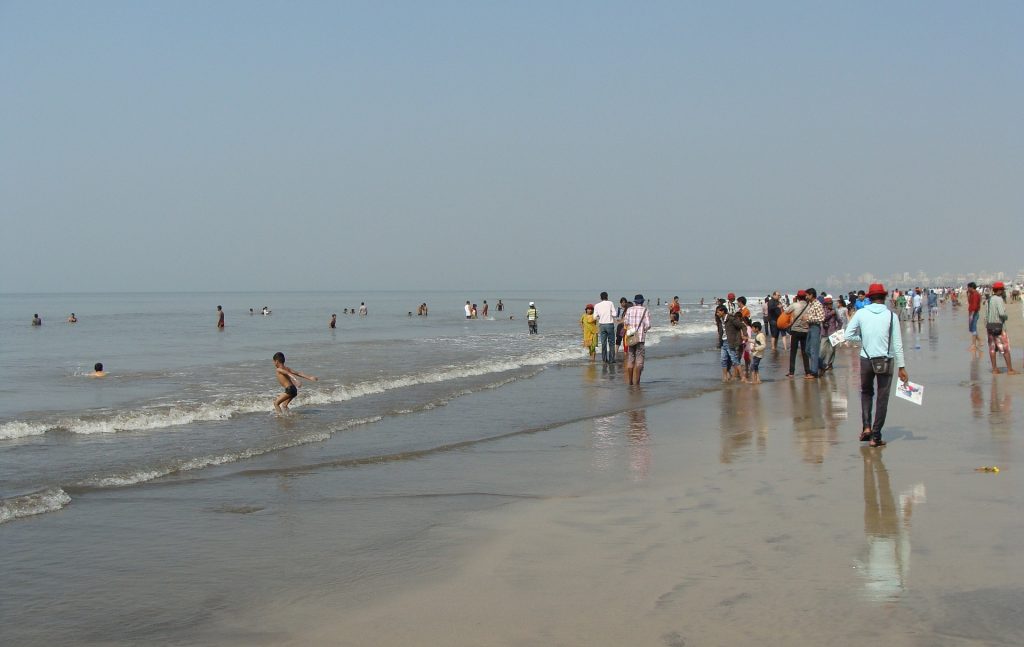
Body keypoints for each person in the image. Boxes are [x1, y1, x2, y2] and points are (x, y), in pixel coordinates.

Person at [843, 283, 908, 447]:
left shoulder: (861, 313)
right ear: (885, 298)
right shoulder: (891, 316)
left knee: (866, 392)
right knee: (882, 398)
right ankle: (876, 436)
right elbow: (897, 344)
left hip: (866, 359)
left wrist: (863, 340)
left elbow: (848, 335)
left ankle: (866, 427)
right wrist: (902, 366)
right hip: (885, 360)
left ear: (869, 297)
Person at [984, 282, 1017, 375]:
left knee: (992, 348)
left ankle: (994, 369)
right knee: (1005, 348)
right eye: (1002, 290)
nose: (1003, 292)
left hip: (990, 326)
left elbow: (986, 315)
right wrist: (1006, 317)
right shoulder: (999, 300)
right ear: (999, 290)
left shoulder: (988, 299)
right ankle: (1010, 370)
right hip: (999, 327)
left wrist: (987, 324)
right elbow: (1002, 314)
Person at [623, 295, 652, 385]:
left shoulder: (629, 310)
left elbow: (626, 322)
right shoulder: (645, 310)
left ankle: (630, 381)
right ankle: (637, 382)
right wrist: (644, 330)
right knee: (639, 360)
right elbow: (648, 325)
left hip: (631, 335)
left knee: (631, 357)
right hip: (640, 337)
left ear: (635, 302)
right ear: (642, 302)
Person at [783, 291, 813, 378]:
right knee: (805, 352)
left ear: (798, 297)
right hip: (805, 330)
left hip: (795, 330)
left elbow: (786, 312)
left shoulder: (795, 305)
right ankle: (807, 372)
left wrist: (794, 302)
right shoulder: (809, 305)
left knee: (793, 352)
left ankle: (791, 372)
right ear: (805, 297)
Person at [715, 304, 746, 382]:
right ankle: (725, 377)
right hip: (723, 343)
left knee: (734, 360)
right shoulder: (720, 320)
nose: (717, 314)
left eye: (718, 312)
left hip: (730, 342)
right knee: (723, 360)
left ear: (723, 311)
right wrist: (719, 342)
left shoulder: (731, 319)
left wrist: (745, 334)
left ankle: (743, 377)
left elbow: (742, 326)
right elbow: (720, 332)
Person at [803, 288, 825, 379]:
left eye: (807, 295)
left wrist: (808, 319)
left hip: (815, 327)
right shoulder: (811, 304)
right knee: (807, 349)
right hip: (811, 327)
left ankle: (814, 372)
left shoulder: (817, 304)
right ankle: (822, 365)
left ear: (811, 295)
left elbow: (821, 318)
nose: (806, 296)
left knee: (813, 350)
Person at [593, 292, 618, 363]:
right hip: (609, 324)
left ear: (600, 297)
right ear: (607, 297)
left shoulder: (597, 305)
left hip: (602, 325)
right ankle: (611, 359)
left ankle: (604, 359)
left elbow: (594, 317)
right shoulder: (610, 303)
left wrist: (600, 316)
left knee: (603, 343)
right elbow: (614, 314)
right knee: (611, 343)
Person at [819, 296, 841, 375]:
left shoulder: (835, 311)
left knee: (832, 350)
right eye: (829, 304)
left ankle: (830, 364)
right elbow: (823, 318)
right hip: (824, 333)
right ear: (825, 304)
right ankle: (821, 364)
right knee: (822, 350)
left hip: (833, 332)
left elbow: (840, 321)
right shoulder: (822, 310)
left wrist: (838, 330)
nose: (830, 305)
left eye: (831, 303)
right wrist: (832, 313)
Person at [966, 281, 982, 355]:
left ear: (971, 287)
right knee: (971, 328)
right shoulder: (972, 294)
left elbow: (975, 305)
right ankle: (979, 340)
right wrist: (968, 295)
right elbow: (970, 302)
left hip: (974, 313)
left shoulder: (976, 294)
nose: (967, 289)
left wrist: (972, 314)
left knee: (973, 328)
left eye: (968, 287)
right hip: (971, 312)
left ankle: (973, 345)